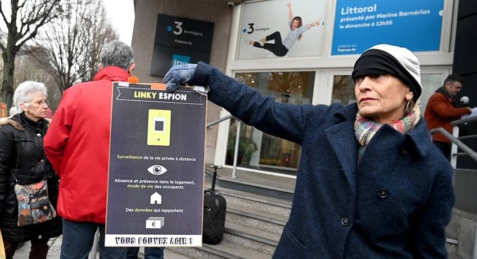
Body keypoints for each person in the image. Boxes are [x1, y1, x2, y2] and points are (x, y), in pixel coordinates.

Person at [164, 44, 455, 258]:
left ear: (409, 90)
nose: (364, 86)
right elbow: (261, 108)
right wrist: (208, 77)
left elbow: (429, 250)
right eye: (359, 78)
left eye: (377, 77)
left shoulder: (433, 167)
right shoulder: (323, 123)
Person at [44, 40, 134, 259]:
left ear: (100, 65)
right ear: (131, 67)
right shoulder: (142, 99)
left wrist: (66, 172)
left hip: (79, 195)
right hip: (123, 201)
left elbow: (52, 144)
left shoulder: (76, 94)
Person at [0, 81, 62, 258]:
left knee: (41, 247)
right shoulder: (9, 131)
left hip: (45, 202)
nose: (45, 106)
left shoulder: (50, 129)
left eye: (45, 101)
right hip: (16, 204)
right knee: (7, 246)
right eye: (39, 102)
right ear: (24, 106)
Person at [424, 74, 472, 160]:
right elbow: (445, 112)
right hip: (436, 140)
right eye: (457, 87)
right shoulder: (437, 97)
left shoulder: (446, 99)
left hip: (443, 139)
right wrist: (466, 110)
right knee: (436, 167)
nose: (459, 90)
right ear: (448, 85)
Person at [247, 0, 321, 56]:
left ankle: (265, 39)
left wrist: (314, 24)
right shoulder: (291, 28)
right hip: (279, 51)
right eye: (293, 22)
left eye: (296, 23)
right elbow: (290, 17)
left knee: (277, 34)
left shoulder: (298, 31)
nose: (294, 24)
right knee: (265, 45)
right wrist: (289, 7)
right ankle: (251, 42)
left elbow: (307, 26)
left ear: (298, 25)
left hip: (282, 50)